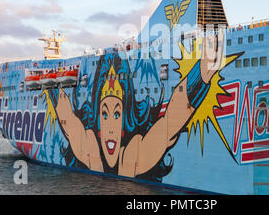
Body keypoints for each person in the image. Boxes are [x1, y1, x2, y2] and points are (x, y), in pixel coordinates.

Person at [52, 35, 224, 180]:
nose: (111, 127)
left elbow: (169, 123)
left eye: (117, 114)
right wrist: (54, 83)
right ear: (97, 116)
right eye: (104, 114)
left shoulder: (133, 152)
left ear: (125, 117)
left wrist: (200, 76)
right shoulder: (89, 145)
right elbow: (67, 120)